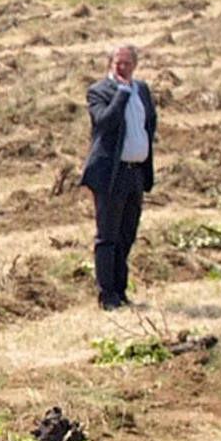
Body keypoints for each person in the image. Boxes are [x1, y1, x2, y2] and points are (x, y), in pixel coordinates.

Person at [82, 43, 157, 310]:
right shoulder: (99, 91)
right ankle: (107, 295)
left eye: (127, 63)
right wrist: (122, 93)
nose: (122, 67)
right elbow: (105, 121)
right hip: (110, 175)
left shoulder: (143, 91)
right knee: (108, 236)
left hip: (135, 173)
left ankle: (121, 290)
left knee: (127, 234)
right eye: (118, 63)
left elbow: (150, 124)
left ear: (135, 64)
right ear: (110, 64)